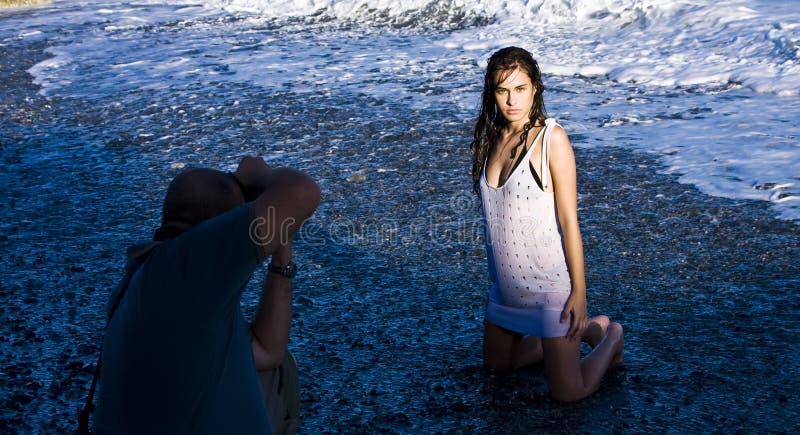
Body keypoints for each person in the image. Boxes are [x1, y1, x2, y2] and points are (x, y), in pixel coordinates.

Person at [92, 156, 320, 433]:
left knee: (276, 370)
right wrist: (258, 175)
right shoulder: (188, 269)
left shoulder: (153, 280)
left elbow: (268, 353)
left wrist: (280, 262)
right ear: (219, 227)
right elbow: (300, 191)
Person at [471, 46, 623, 401]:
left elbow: (569, 220)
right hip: (505, 292)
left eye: (520, 89)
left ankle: (611, 334)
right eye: (502, 90)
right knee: (497, 370)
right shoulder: (492, 138)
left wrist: (579, 294)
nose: (511, 100)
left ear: (535, 88)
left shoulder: (550, 140)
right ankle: (574, 335)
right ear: (491, 92)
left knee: (569, 394)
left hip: (549, 294)